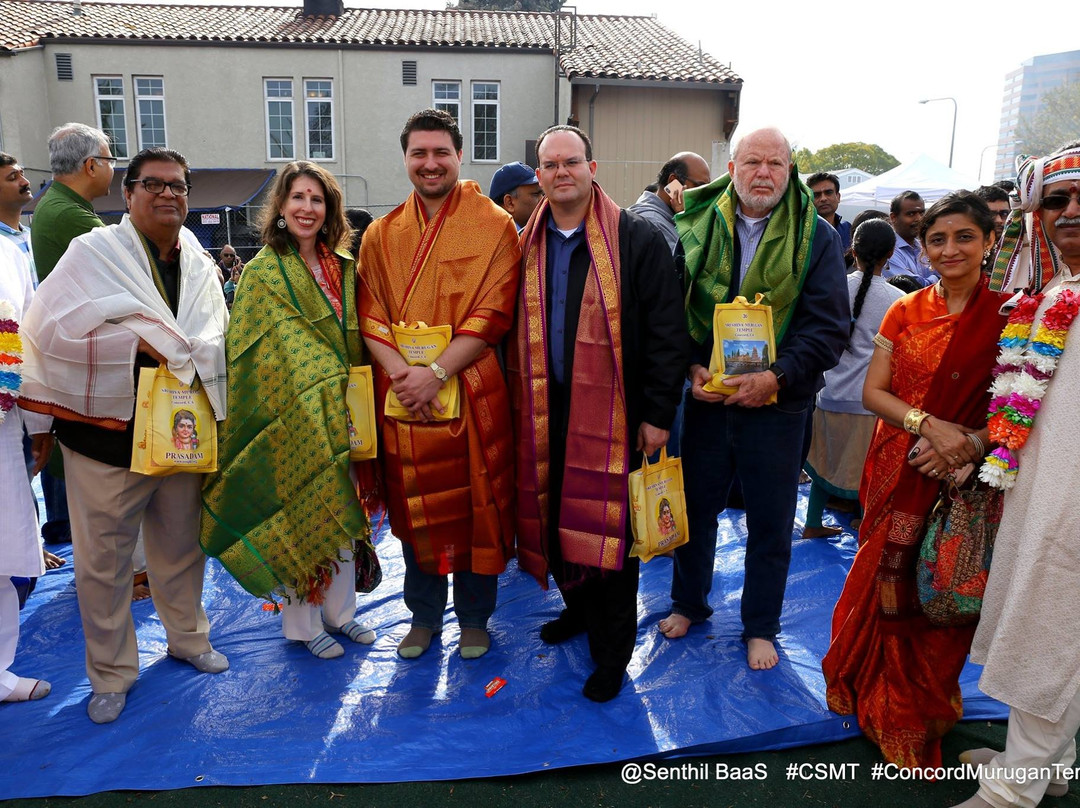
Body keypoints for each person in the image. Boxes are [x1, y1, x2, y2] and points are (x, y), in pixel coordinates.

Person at [19, 147, 231, 724]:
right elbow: (46, 327)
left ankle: (188, 638)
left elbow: (214, 328)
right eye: (154, 184)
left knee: (181, 546)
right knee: (102, 562)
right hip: (105, 435)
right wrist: (133, 344)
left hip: (181, 428)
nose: (168, 194)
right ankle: (111, 674)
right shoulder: (93, 253)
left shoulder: (198, 258)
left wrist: (193, 349)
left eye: (179, 186)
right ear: (128, 193)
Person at [822, 191, 1008, 767]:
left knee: (947, 586)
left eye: (964, 237)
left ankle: (929, 703)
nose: (950, 249)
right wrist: (930, 426)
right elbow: (874, 392)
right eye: (937, 239)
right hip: (900, 464)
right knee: (888, 579)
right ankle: (881, 694)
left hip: (968, 479)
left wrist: (967, 444)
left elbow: (1024, 406)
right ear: (922, 249)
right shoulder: (905, 309)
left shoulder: (1009, 315)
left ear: (988, 242)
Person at [507, 124, 687, 701]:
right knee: (554, 521)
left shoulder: (632, 239)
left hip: (615, 415)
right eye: (550, 164)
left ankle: (612, 654)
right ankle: (576, 611)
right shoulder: (523, 245)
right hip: (541, 410)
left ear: (592, 167)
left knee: (609, 537)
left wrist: (658, 412)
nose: (561, 172)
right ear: (538, 175)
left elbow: (667, 333)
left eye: (571, 162)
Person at [659, 127, 849, 670]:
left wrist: (778, 376)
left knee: (770, 520)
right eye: (753, 162)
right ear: (733, 166)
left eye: (776, 164)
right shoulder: (697, 224)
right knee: (695, 511)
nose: (763, 173)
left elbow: (829, 327)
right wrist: (692, 366)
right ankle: (688, 603)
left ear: (789, 171)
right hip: (709, 401)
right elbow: (675, 313)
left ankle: (760, 626)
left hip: (779, 406)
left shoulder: (816, 237)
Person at [359, 109, 519, 660]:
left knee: (479, 502)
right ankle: (423, 617)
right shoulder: (380, 235)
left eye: (440, 153)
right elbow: (369, 313)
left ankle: (475, 618)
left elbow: (494, 312)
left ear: (459, 156)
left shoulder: (495, 224)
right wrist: (405, 377)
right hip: (404, 394)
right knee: (415, 506)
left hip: (470, 388)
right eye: (419, 154)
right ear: (405, 158)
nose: (430, 164)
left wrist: (436, 372)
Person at [201, 161, 377, 660]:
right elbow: (252, 352)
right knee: (302, 514)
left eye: (317, 199)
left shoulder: (343, 266)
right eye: (298, 198)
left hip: (344, 410)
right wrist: (304, 391)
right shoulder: (261, 274)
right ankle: (302, 625)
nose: (307, 208)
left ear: (329, 209)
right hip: (288, 418)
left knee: (345, 513)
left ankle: (341, 615)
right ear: (280, 207)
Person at [954, 143, 1080, 808]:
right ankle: (1042, 762)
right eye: (1057, 200)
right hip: (1042, 487)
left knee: (1056, 625)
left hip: (1074, 501)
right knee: (1043, 619)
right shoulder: (1057, 291)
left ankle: (1014, 789)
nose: (1070, 211)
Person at [28, 123, 114, 549]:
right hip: (83, 354)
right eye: (110, 158)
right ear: (91, 165)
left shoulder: (58, 206)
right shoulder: (71, 216)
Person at [803, 219, 903, 538]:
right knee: (866, 469)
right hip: (869, 402)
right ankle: (863, 523)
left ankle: (812, 523)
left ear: (852, 250)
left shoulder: (832, 288)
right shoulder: (897, 300)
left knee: (823, 464)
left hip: (828, 395)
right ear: (890, 253)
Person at [0, 236, 53, 703]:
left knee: (0, 554)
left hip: (0, 426)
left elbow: (25, 341)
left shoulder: (11, 256)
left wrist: (40, 423)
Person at [628, 152, 712, 254]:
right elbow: (681, 266)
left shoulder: (666, 218)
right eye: (699, 186)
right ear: (673, 182)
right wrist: (686, 219)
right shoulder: (653, 223)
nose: (703, 194)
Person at [883, 191, 936, 286]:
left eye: (922, 213)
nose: (919, 219)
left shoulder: (923, 246)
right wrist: (938, 276)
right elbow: (912, 287)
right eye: (911, 214)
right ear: (893, 217)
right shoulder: (888, 251)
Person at [489, 161, 543, 232]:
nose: (542, 199)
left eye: (542, 194)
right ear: (510, 203)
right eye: (536, 194)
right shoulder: (496, 239)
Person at [807, 172, 852, 251]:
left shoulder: (848, 229)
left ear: (838, 197)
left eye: (828, 192)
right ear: (809, 200)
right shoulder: (802, 232)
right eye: (817, 195)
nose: (823, 198)